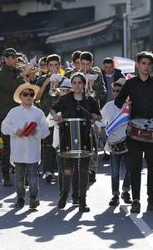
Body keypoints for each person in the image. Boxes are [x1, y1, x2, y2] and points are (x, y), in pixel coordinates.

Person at [114, 51, 153, 213]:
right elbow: (118, 101)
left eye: (149, 64)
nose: (146, 67)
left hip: (152, 128)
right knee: (135, 167)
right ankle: (136, 200)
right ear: (138, 64)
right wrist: (126, 102)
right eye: (143, 63)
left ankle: (151, 198)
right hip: (134, 130)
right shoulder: (130, 84)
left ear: (152, 66)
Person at [51, 73, 101, 213]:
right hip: (67, 136)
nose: (77, 85)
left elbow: (98, 115)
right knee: (68, 169)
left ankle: (82, 200)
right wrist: (56, 116)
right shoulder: (65, 99)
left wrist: (96, 116)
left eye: (80, 82)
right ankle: (64, 194)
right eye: (74, 83)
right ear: (72, 85)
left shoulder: (90, 101)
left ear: (84, 84)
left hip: (85, 136)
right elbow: (53, 108)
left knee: (84, 169)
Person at [2, 83, 50, 209]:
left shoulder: (39, 113)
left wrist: (36, 132)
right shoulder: (13, 112)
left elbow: (46, 131)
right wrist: (15, 131)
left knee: (33, 176)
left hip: (33, 150)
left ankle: (34, 198)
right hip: (18, 150)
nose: (29, 97)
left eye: (31, 94)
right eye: (25, 94)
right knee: (19, 177)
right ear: (20, 96)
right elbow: (4, 127)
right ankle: (20, 198)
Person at [65, 51, 106, 182]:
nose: (85, 67)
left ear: (92, 63)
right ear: (79, 62)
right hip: (75, 111)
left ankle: (92, 170)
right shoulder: (72, 75)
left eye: (88, 64)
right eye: (83, 64)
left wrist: (93, 86)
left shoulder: (97, 74)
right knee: (76, 141)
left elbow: (103, 93)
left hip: (91, 111)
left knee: (92, 141)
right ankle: (77, 168)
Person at [0, 48, 32, 186]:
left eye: (16, 57)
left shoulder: (17, 72)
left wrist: (28, 77)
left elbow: (27, 88)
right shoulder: (0, 74)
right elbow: (12, 87)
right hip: (6, 114)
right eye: (12, 57)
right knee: (8, 146)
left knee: (23, 145)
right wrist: (23, 74)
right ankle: (6, 175)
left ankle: (23, 176)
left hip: (21, 112)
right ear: (5, 58)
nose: (16, 60)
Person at [100, 78, 132, 206]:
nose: (116, 92)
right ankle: (115, 195)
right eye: (114, 90)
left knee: (130, 169)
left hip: (129, 141)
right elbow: (100, 120)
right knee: (114, 171)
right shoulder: (108, 106)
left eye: (119, 90)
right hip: (114, 142)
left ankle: (125, 191)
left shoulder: (130, 106)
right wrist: (103, 131)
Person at [36, 54, 64, 183]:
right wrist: (47, 83)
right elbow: (37, 97)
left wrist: (59, 87)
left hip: (60, 116)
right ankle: (48, 171)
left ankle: (61, 169)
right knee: (47, 144)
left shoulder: (65, 79)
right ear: (47, 66)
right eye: (51, 65)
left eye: (56, 65)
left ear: (59, 66)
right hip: (46, 115)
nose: (53, 67)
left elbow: (67, 96)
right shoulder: (41, 79)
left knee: (60, 143)